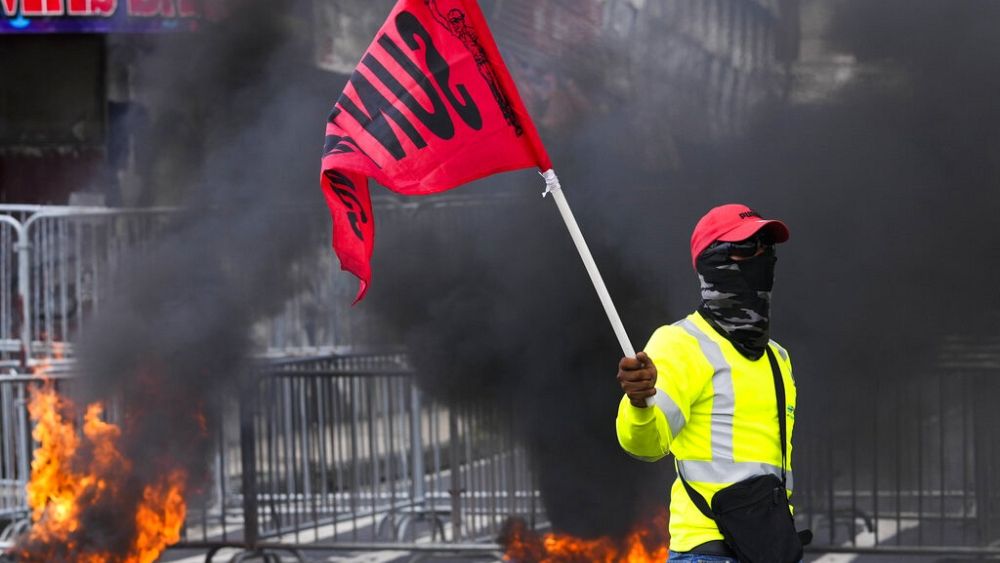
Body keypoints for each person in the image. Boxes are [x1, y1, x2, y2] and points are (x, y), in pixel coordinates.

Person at [616, 204, 799, 562]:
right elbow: (647, 445)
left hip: (770, 548)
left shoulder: (778, 357)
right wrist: (639, 403)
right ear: (711, 263)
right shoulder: (680, 343)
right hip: (708, 553)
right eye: (745, 249)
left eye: (766, 247)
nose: (759, 257)